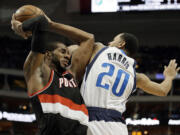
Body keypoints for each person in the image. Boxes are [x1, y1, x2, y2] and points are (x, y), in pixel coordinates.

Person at [11, 14, 94, 135]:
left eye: (68, 53)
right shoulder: (38, 73)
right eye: (63, 51)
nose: (68, 56)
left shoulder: (72, 75)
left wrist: (53, 25)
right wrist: (22, 27)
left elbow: (89, 39)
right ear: (48, 54)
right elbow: (41, 20)